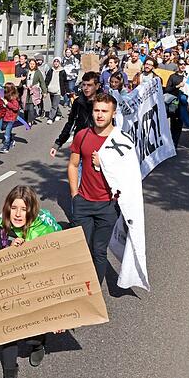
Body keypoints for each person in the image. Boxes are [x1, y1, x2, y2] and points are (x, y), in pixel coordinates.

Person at [0, 185, 62, 378]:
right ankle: (9, 376)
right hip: (10, 290)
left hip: (38, 288)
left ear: (32, 210)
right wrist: (8, 253)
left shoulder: (44, 229)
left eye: (23, 209)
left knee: (32, 335)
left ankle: (39, 344)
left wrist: (60, 312)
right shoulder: (0, 226)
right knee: (9, 332)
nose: (18, 214)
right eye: (14, 208)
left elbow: (61, 269)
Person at [69, 94, 121, 284]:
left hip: (108, 206)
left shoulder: (121, 140)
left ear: (113, 113)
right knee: (81, 249)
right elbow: (73, 165)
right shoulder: (82, 135)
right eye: (96, 110)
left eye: (104, 111)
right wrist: (75, 195)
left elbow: (129, 174)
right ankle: (79, 288)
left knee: (99, 251)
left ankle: (94, 296)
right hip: (83, 202)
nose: (99, 115)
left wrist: (105, 163)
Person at [49, 72, 100, 158]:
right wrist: (58, 143)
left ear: (97, 86)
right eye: (84, 85)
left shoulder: (103, 102)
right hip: (81, 142)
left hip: (98, 144)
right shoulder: (78, 102)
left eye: (89, 85)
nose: (86, 88)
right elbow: (70, 124)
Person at [164, 61, 188, 147]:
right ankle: (170, 142)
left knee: (179, 124)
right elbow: (167, 89)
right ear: (178, 65)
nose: (182, 66)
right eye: (181, 64)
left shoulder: (188, 77)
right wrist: (177, 86)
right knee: (173, 123)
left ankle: (175, 143)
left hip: (183, 104)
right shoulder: (173, 76)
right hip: (173, 103)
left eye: (184, 64)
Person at [0, 83, 21, 154]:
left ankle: (6, 147)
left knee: (6, 133)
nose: (4, 89)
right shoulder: (6, 97)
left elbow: (15, 108)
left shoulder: (14, 99)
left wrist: (7, 103)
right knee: (5, 130)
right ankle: (11, 140)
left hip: (11, 119)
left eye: (6, 88)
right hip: (5, 117)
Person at [23, 58, 47, 125]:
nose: (32, 65)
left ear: (35, 65)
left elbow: (42, 82)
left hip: (34, 91)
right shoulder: (26, 71)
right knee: (25, 106)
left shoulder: (38, 72)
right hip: (26, 90)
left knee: (31, 106)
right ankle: (26, 119)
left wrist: (44, 92)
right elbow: (23, 80)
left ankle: (30, 120)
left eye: (33, 64)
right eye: (30, 64)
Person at [45, 58, 64, 124]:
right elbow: (47, 80)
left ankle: (50, 118)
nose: (56, 63)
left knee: (54, 105)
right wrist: (45, 88)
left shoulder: (62, 71)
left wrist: (66, 91)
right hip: (51, 89)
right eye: (55, 61)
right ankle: (59, 114)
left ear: (59, 63)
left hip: (58, 91)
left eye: (57, 61)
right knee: (54, 104)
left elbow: (65, 82)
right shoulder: (50, 70)